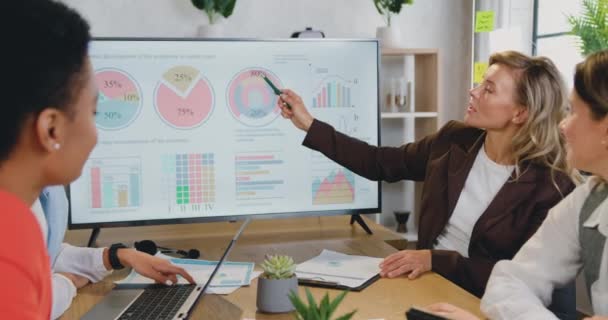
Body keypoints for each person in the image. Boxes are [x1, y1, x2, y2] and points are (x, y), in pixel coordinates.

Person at [278, 50, 575, 297]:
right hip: (424, 283)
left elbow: (523, 276)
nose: (473, 91)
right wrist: (310, 124)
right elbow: (379, 162)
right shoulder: (454, 140)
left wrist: (436, 260)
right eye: (480, 83)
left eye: (488, 89)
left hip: (484, 301)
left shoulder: (551, 188)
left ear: (520, 113)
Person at [0, 1, 193, 318]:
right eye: (94, 112)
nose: (95, 134)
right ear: (51, 128)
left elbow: (46, 256)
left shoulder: (20, 213)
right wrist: (64, 283)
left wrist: (116, 257)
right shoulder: (9, 239)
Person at [425, 50, 608, 320]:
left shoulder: (558, 186)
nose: (563, 126)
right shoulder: (587, 200)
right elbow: (510, 283)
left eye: (574, 113)